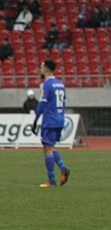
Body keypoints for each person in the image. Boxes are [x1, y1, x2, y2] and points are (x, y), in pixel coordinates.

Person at [32, 59, 70, 188]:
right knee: (51, 147)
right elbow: (63, 103)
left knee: (47, 149)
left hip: (49, 119)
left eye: (42, 66)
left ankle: (51, 180)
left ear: (47, 68)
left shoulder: (46, 84)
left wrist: (36, 120)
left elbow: (42, 103)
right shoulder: (60, 84)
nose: (40, 68)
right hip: (59, 119)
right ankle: (63, 168)